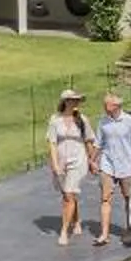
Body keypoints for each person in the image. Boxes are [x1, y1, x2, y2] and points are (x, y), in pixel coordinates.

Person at [92, 91, 131, 246]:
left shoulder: (130, 122)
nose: (104, 106)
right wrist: (92, 160)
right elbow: (98, 143)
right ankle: (104, 234)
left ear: (116, 106)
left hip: (127, 166)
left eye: (106, 104)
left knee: (128, 199)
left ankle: (129, 229)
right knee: (105, 198)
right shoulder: (103, 121)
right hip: (107, 165)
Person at [47, 88, 93, 245]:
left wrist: (92, 160)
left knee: (68, 195)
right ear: (65, 102)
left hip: (78, 160)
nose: (76, 103)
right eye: (73, 100)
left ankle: (64, 231)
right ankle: (77, 220)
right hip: (61, 161)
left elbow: (88, 141)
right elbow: (52, 143)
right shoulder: (55, 120)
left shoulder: (82, 120)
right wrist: (54, 164)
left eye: (77, 100)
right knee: (68, 195)